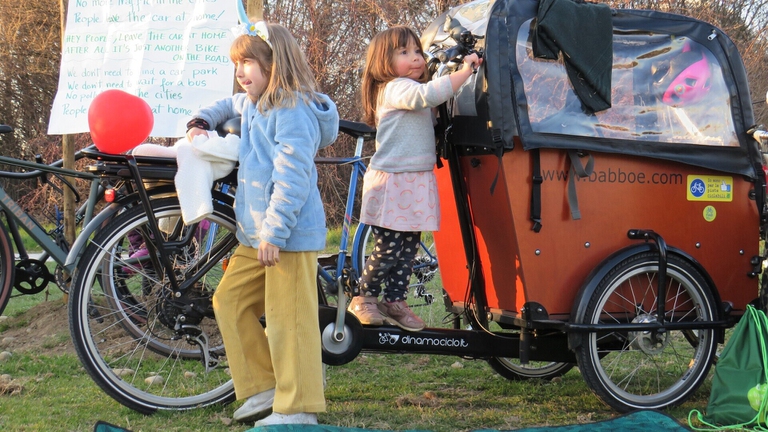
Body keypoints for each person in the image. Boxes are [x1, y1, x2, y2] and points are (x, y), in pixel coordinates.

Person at [186, 21, 338, 426]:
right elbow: (229, 103)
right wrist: (201, 120)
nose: (240, 71)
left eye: (248, 62)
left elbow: (293, 177)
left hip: (286, 235)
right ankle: (263, 386)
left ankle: (298, 408)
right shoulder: (255, 102)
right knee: (230, 301)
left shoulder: (291, 111)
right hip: (256, 234)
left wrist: (275, 232)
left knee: (289, 319)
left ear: (275, 63)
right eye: (236, 63)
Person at [349, 26, 481, 332]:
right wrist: (466, 72)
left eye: (417, 52)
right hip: (394, 181)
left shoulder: (409, 88)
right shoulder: (395, 88)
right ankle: (364, 298)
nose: (416, 58)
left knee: (408, 250)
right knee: (388, 247)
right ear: (383, 61)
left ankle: (395, 301)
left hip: (415, 180)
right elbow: (428, 95)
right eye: (404, 52)